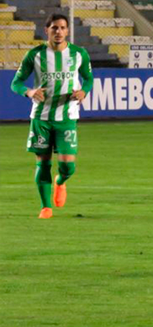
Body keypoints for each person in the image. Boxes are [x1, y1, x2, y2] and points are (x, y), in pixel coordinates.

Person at [10, 13, 93, 219]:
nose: (59, 31)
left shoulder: (79, 54)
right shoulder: (35, 55)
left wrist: (84, 91)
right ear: (46, 30)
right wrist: (29, 92)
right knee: (43, 163)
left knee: (68, 166)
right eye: (54, 28)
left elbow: (88, 78)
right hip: (41, 117)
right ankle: (46, 207)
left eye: (63, 28)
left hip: (67, 117)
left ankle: (60, 182)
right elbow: (16, 82)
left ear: (67, 31)